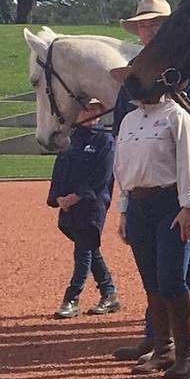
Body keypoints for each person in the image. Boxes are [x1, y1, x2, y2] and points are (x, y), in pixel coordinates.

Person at [109, 0, 190, 365]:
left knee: (172, 276)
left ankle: (181, 350)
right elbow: (123, 163)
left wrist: (189, 203)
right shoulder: (129, 116)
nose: (148, 30)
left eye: (155, 24)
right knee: (153, 278)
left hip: (174, 191)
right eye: (144, 25)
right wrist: (123, 207)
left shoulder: (184, 72)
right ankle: (159, 341)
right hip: (139, 198)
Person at [47, 96, 120, 319]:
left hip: (91, 205)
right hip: (69, 206)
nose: (90, 113)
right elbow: (60, 170)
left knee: (83, 251)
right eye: (86, 109)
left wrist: (77, 196)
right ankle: (109, 293)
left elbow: (102, 176)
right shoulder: (72, 139)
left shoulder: (105, 140)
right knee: (89, 248)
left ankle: (71, 298)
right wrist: (58, 197)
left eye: (95, 109)